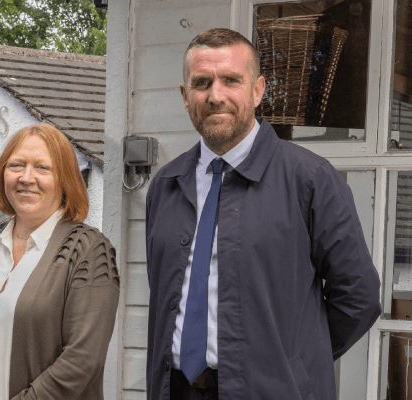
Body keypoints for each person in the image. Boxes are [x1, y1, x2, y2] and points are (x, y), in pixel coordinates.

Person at [144, 28, 381, 400]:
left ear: (257, 90)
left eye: (231, 80)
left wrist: (294, 361)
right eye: (202, 82)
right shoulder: (166, 185)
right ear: (185, 95)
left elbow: (359, 298)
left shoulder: (311, 179)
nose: (215, 95)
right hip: (175, 389)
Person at [0, 124, 120, 400]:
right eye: (16, 165)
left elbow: (83, 359)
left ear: (65, 178)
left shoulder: (89, 251)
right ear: (2, 175)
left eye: (42, 168)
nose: (26, 177)